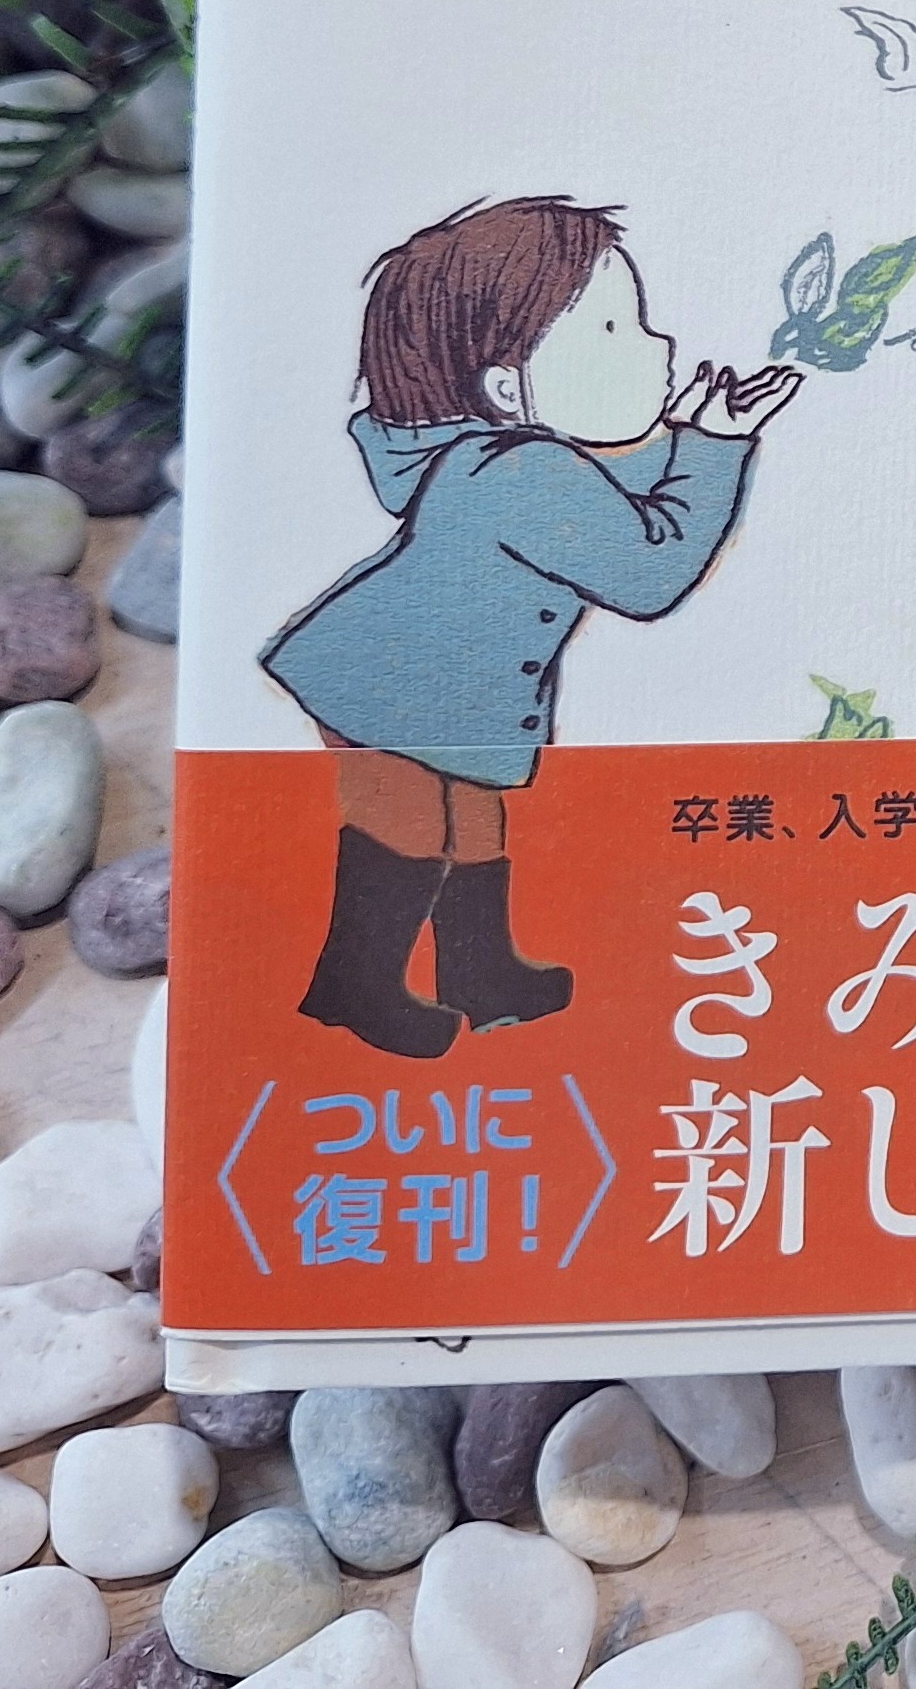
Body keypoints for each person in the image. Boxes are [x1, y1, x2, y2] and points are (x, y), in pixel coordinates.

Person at [261, 195, 799, 1059]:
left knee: (474, 820)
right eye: (615, 330)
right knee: (408, 826)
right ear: (508, 388)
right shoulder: (519, 473)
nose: (657, 345)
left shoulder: (519, 455)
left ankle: (479, 974)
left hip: (435, 689)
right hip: (384, 686)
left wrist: (694, 437)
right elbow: (647, 573)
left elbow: (615, 493)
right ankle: (352, 988)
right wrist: (712, 446)